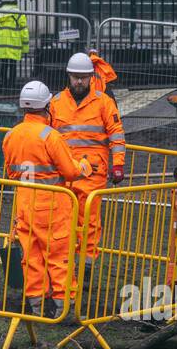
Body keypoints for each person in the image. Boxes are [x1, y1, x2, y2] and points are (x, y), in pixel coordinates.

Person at [2, 80, 93, 319]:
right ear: (47, 106)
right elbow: (70, 172)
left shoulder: (10, 135)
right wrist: (82, 165)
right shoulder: (49, 136)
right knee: (59, 256)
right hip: (53, 204)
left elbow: (11, 172)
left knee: (31, 257)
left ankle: (36, 306)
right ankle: (63, 310)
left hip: (24, 203)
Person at [50, 53, 126, 258]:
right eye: (75, 77)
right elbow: (47, 138)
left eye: (83, 77)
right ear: (68, 76)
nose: (79, 81)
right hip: (64, 172)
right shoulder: (56, 103)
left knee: (89, 221)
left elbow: (116, 134)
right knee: (61, 219)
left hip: (92, 174)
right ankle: (64, 262)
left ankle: (87, 264)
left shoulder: (104, 102)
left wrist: (118, 165)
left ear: (91, 76)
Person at [0, 0, 29, 90]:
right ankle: (11, 86)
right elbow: (24, 31)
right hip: (14, 45)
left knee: (3, 65)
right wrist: (25, 47)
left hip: (1, 45)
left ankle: (4, 86)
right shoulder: (19, 13)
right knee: (12, 66)